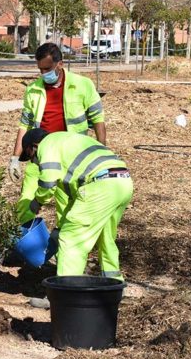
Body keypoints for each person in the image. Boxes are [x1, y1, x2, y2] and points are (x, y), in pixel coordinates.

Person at [20, 128, 134, 308]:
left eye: (31, 157)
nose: (34, 162)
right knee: (105, 237)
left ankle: (62, 297)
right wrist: (60, 226)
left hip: (100, 186)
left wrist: (37, 201)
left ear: (34, 146)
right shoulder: (69, 142)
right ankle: (115, 287)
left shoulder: (47, 145)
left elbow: (48, 181)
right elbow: (76, 201)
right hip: (122, 181)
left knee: (70, 240)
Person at [8, 42, 107, 232]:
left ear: (60, 64)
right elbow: (24, 125)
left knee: (67, 209)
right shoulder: (33, 90)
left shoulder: (82, 85)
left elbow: (98, 121)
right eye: (40, 69)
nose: (44, 73)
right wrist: (14, 158)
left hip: (69, 160)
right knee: (26, 203)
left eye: (47, 68)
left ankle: (62, 249)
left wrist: (100, 152)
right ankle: (28, 246)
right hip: (39, 155)